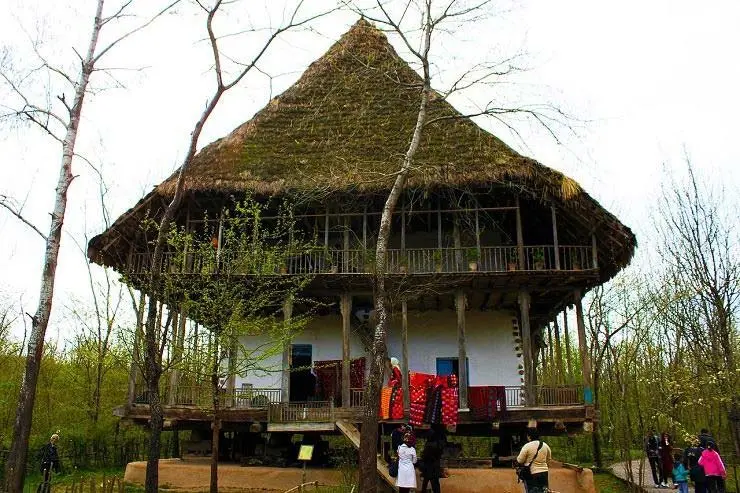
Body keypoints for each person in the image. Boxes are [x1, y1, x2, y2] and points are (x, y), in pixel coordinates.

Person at [516, 429, 551, 493]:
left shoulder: (527, 446)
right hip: (544, 472)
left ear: (529, 437)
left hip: (531, 473)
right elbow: (548, 459)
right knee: (544, 491)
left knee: (532, 491)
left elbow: (520, 460)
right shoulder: (545, 445)